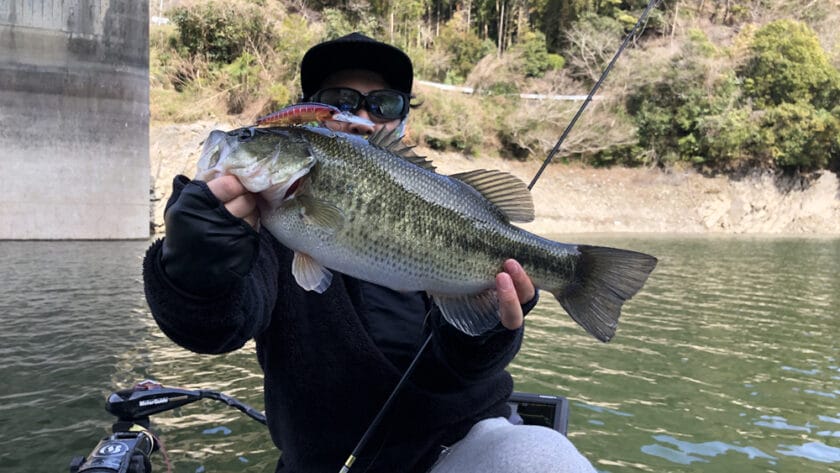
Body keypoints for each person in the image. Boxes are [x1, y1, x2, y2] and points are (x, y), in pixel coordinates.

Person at [143, 32, 596, 473]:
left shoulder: (446, 203)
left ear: (402, 121)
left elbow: (463, 372)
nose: (361, 112)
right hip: (325, 462)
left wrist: (483, 328)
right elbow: (214, 330)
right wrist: (195, 268)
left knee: (542, 459)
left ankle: (580, 272)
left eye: (385, 103)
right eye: (340, 98)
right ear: (306, 117)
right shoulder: (261, 228)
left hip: (460, 444)